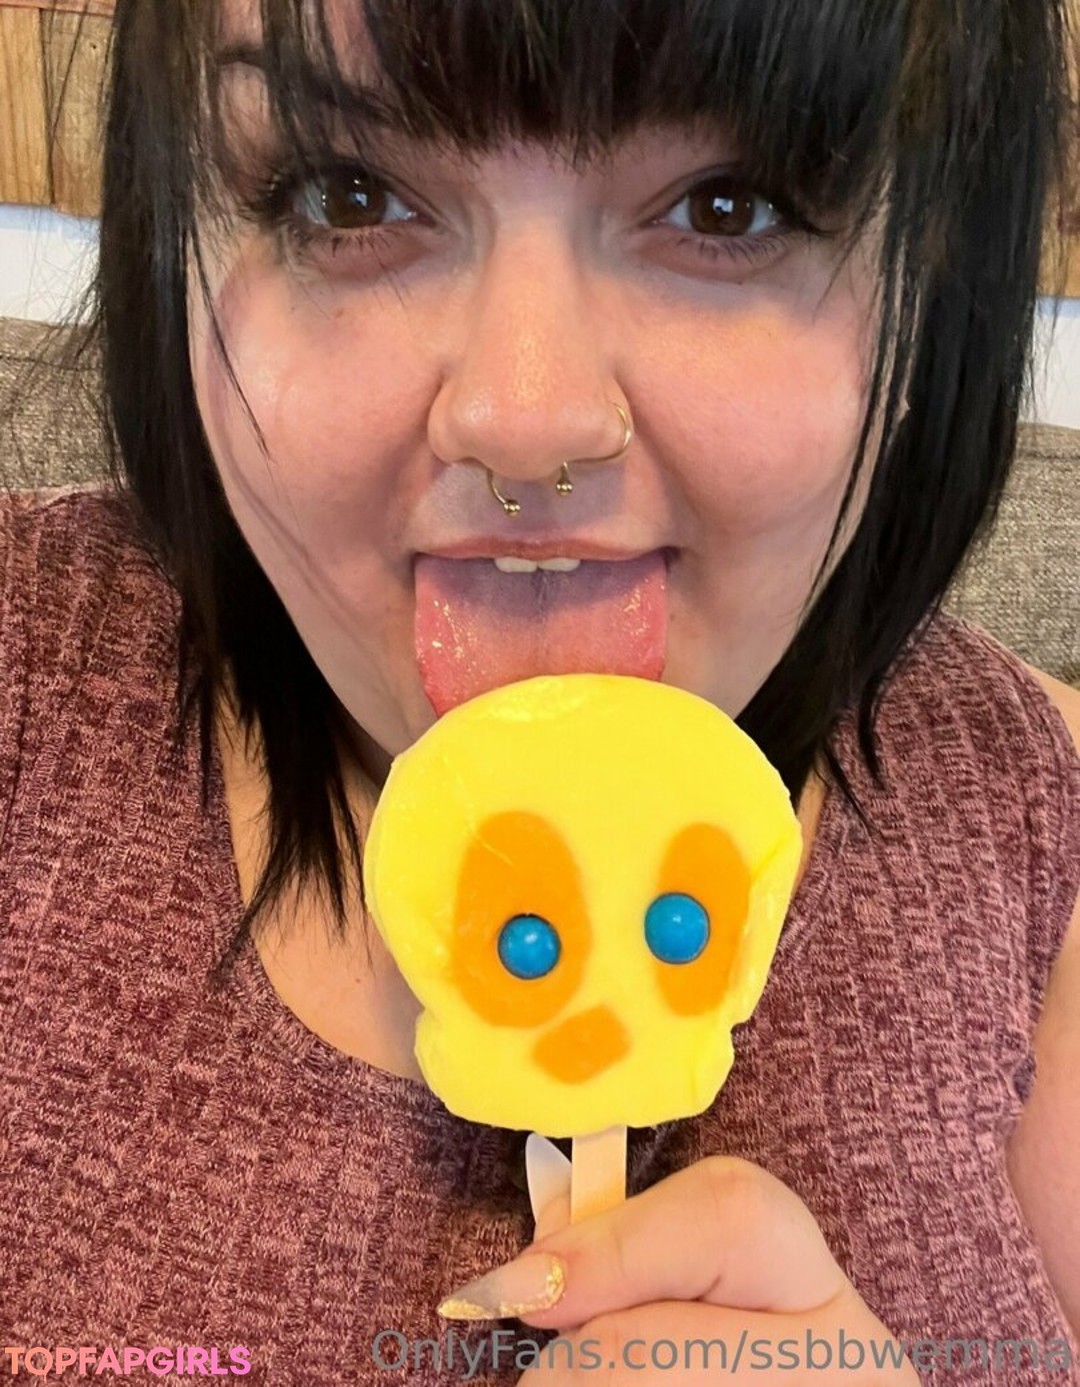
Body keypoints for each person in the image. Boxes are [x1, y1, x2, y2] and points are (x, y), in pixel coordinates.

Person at [1, 0, 1078, 1382]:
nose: (526, 419)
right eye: (347, 193)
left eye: (729, 207)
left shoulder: (1041, 825)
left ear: (935, 280)